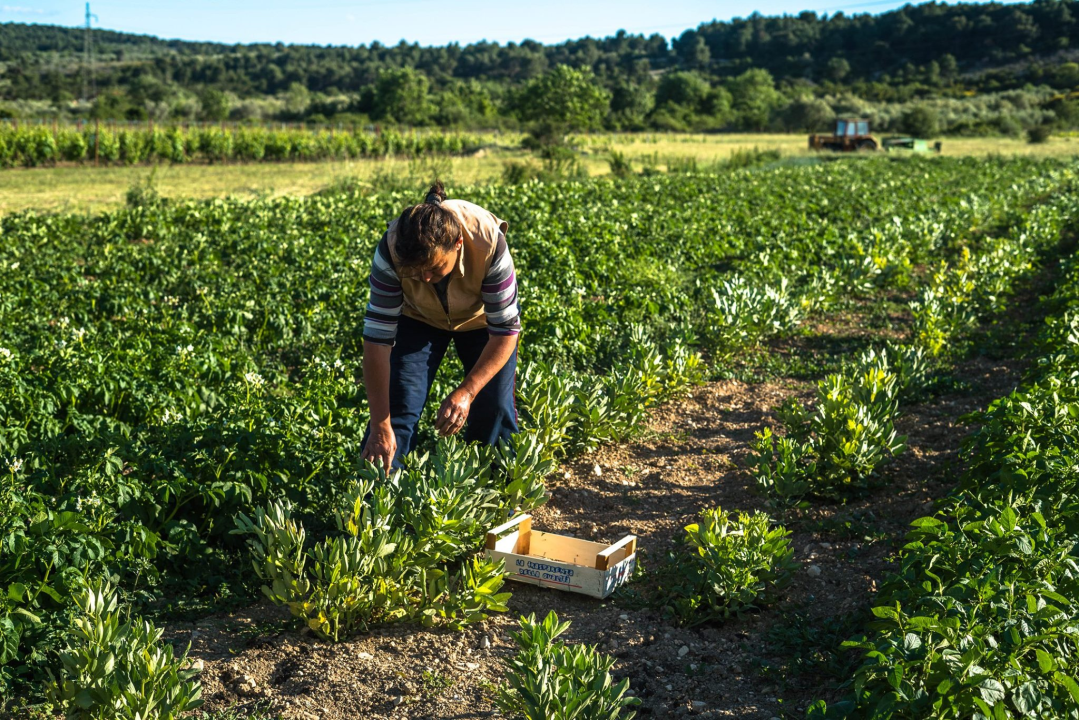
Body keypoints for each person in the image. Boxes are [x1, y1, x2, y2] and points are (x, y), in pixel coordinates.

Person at [360, 181, 520, 470]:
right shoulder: (391, 250)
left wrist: (467, 392)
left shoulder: (488, 243)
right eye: (416, 271)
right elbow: (376, 342)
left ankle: (496, 500)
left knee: (494, 406)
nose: (424, 279)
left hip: (481, 322)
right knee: (397, 406)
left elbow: (506, 332)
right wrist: (380, 423)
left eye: (433, 268)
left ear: (458, 245)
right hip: (418, 318)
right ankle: (376, 503)